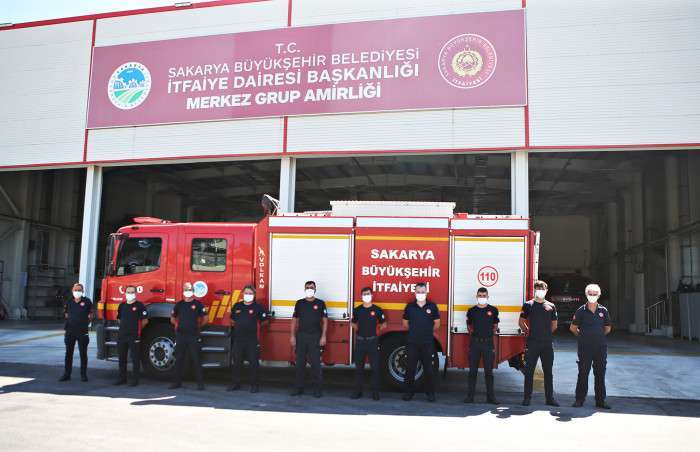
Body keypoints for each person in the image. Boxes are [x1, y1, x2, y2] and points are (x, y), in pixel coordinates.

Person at [570, 283, 612, 409]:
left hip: (600, 348)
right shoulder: (581, 310)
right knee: (583, 373)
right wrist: (583, 337)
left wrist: (598, 337)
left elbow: (607, 328)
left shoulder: (603, 311)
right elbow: (573, 328)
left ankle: (600, 401)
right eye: (590, 293)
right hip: (585, 348)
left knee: (600, 374)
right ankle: (579, 400)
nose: (592, 295)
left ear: (599, 295)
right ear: (586, 294)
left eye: (595, 294)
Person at [519, 280, 559, 407]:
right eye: (538, 288)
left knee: (548, 372)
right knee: (529, 371)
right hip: (532, 343)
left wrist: (545, 334)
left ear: (546, 291)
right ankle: (527, 398)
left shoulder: (551, 306)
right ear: (534, 290)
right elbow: (521, 322)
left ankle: (550, 399)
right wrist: (529, 332)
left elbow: (554, 325)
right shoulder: (528, 305)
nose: (540, 291)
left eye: (542, 289)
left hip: (547, 344)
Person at [402, 282, 440, 402]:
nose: (420, 294)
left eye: (422, 292)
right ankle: (408, 392)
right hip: (412, 342)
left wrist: (426, 331)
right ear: (415, 293)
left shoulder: (432, 306)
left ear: (426, 292)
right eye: (418, 292)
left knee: (429, 369)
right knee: (410, 369)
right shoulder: (410, 307)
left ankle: (430, 393)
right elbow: (405, 323)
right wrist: (415, 331)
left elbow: (437, 323)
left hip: (427, 343)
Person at [290, 281, 328, 397]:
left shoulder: (320, 303)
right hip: (301, 336)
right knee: (300, 364)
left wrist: (323, 336)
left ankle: (317, 389)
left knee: (316, 364)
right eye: (307, 287)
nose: (309, 289)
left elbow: (325, 321)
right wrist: (292, 336)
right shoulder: (299, 303)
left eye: (311, 287)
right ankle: (298, 388)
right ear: (304, 289)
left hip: (315, 337)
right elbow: (294, 320)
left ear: (315, 289)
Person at [228, 285, 268, 393]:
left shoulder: (258, 307)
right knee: (237, 362)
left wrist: (254, 326)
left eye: (250, 293)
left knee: (254, 363)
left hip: (251, 340)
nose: (248, 295)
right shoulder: (237, 306)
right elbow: (231, 319)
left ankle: (254, 385)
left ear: (254, 295)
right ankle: (235, 384)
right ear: (242, 294)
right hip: (238, 339)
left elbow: (265, 321)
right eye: (246, 293)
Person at [169, 282, 208, 390]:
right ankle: (176, 383)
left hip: (193, 336)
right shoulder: (179, 305)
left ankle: (200, 384)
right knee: (179, 359)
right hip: (181, 335)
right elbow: (172, 319)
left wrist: (197, 327)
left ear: (193, 291)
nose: (188, 291)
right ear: (183, 291)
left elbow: (206, 319)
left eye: (190, 289)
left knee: (196, 359)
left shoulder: (198, 304)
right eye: (186, 289)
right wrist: (179, 326)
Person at [350, 287, 387, 400]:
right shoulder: (357, 310)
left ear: (372, 295)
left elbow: (384, 323)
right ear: (362, 296)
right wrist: (356, 327)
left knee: (375, 368)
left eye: (368, 294)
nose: (366, 296)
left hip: (372, 342)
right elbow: (352, 323)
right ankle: (358, 392)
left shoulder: (377, 310)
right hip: (360, 342)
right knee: (359, 369)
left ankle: (375, 393)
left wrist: (377, 329)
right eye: (364, 294)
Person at [465, 287, 500, 404]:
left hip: (488, 343)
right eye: (480, 295)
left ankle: (491, 397)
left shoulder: (493, 310)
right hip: (475, 343)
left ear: (487, 297)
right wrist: (474, 335)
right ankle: (470, 397)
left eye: (484, 296)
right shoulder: (472, 311)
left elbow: (495, 325)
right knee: (472, 371)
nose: (482, 297)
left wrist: (489, 335)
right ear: (476, 296)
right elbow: (469, 325)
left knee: (489, 372)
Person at [114, 285, 148, 386]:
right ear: (125, 293)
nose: (130, 294)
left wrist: (136, 329)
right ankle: (122, 378)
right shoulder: (122, 305)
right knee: (122, 358)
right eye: (128, 292)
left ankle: (135, 380)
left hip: (134, 336)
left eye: (132, 292)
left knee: (135, 358)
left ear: (136, 293)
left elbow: (145, 321)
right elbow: (119, 319)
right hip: (122, 336)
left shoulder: (140, 306)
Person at [59, 283, 93, 382]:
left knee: (83, 354)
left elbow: (90, 315)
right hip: (70, 331)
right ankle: (67, 374)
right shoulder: (69, 301)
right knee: (68, 353)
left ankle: (83, 375)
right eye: (75, 290)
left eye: (79, 290)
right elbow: (66, 314)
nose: (77, 292)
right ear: (72, 291)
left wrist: (84, 323)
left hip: (82, 332)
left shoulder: (87, 301)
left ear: (82, 291)